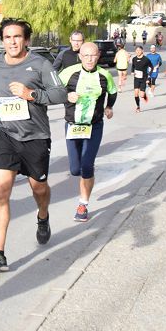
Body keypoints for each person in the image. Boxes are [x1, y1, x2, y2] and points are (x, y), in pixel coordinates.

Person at [0, 19, 67, 272]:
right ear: (2, 40)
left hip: (35, 137)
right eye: (8, 37)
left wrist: (31, 94)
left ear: (26, 40)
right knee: (0, 192)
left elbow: (59, 93)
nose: (13, 42)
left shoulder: (39, 63)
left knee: (38, 188)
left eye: (17, 37)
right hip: (5, 135)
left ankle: (43, 216)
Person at [58, 42, 117, 222]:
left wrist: (108, 106)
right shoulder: (69, 73)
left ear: (98, 56)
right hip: (73, 125)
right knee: (75, 169)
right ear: (80, 56)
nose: (90, 59)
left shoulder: (104, 75)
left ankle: (83, 204)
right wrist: (66, 96)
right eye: (86, 56)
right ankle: (85, 173)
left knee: (86, 165)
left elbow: (113, 92)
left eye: (93, 56)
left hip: (95, 125)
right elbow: (54, 91)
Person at [130, 45, 150, 112]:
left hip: (143, 78)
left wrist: (148, 77)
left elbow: (151, 67)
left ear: (142, 51)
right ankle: (138, 107)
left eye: (139, 50)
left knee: (141, 95)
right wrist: (132, 72)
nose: (138, 51)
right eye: (136, 50)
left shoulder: (146, 59)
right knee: (136, 93)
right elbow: (133, 66)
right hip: (136, 78)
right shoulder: (134, 59)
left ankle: (144, 95)